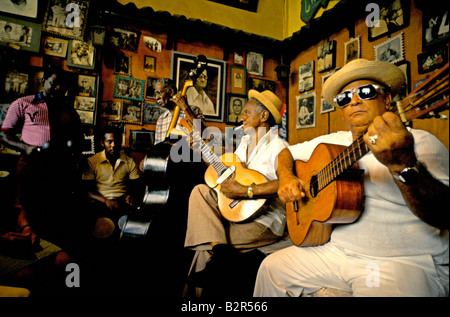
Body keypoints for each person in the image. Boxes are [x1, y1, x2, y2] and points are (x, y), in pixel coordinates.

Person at [254, 59, 449, 297]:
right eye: (344, 98)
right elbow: (284, 152)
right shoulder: (333, 142)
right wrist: (285, 178)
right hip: (337, 253)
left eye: (365, 92)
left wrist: (403, 165)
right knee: (271, 269)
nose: (354, 101)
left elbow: (444, 213)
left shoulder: (418, 142)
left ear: (386, 99)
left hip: (403, 261)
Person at [184, 89, 288, 296]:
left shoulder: (278, 147)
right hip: (239, 213)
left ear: (264, 116)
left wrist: (246, 191)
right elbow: (221, 172)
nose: (242, 117)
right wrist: (201, 150)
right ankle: (220, 257)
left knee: (206, 245)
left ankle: (198, 295)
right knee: (200, 191)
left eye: (247, 113)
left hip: (265, 219)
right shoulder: (244, 144)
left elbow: (286, 183)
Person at [0, 65, 84, 253]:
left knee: (55, 213)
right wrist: (25, 147)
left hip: (59, 169)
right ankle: (29, 250)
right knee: (28, 211)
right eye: (54, 84)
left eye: (62, 86)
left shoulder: (70, 111)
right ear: (43, 81)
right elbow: (4, 134)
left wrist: (75, 160)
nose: (58, 89)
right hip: (32, 166)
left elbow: (79, 140)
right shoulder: (24, 103)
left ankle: (55, 254)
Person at [81, 126, 142, 239]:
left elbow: (137, 186)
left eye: (117, 141)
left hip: (122, 204)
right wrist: (107, 201)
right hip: (100, 203)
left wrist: (132, 195)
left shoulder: (129, 162)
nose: (114, 145)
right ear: (102, 143)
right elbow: (87, 191)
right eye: (110, 141)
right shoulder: (92, 161)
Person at [153, 78, 205, 144]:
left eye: (159, 93)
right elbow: (157, 147)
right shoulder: (161, 119)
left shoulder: (194, 110)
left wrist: (186, 108)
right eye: (155, 94)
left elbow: (204, 134)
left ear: (171, 92)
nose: (156, 97)